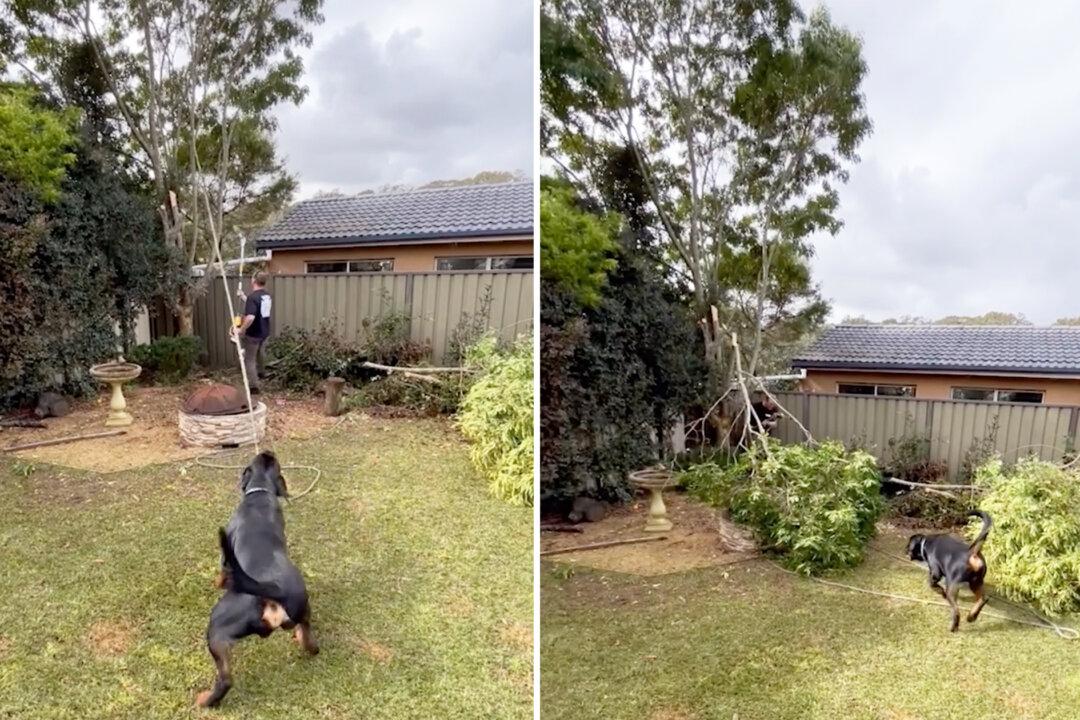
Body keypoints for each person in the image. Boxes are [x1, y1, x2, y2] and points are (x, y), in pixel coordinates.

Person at [233, 271, 272, 394]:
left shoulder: (253, 297)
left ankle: (254, 387)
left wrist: (241, 329)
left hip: (254, 334)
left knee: (249, 360)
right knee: (260, 354)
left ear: (253, 280)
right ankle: (262, 373)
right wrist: (244, 296)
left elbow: (250, 317)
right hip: (264, 332)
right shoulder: (266, 295)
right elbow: (257, 305)